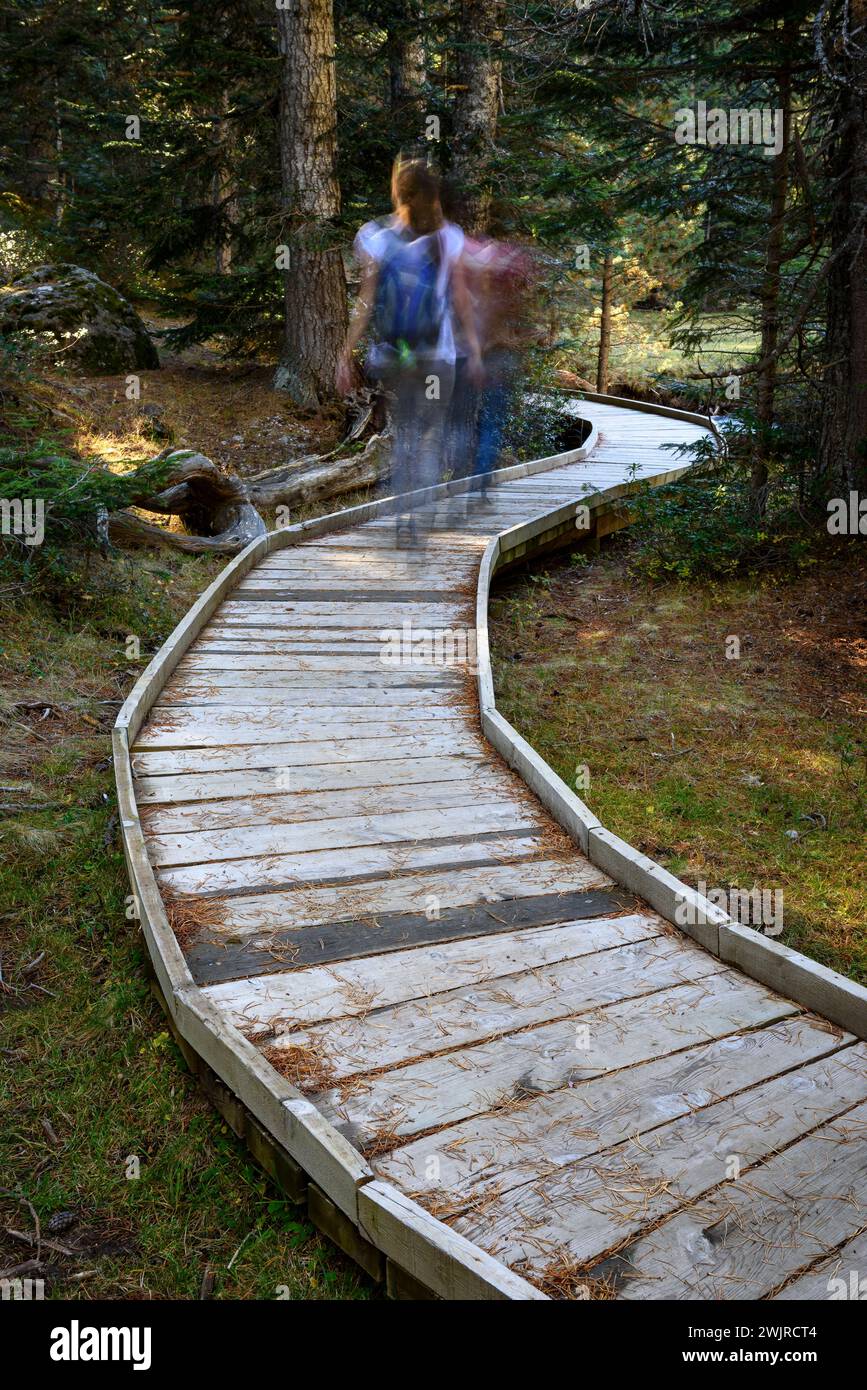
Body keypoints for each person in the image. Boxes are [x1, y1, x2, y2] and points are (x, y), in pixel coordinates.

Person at [337, 158, 482, 546]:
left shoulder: (373, 236)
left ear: (398, 193)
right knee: (432, 432)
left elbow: (365, 303)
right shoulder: (450, 236)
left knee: (404, 432)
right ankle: (425, 513)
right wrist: (476, 352)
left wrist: (345, 354)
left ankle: (402, 514)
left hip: (396, 355)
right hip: (438, 357)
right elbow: (461, 299)